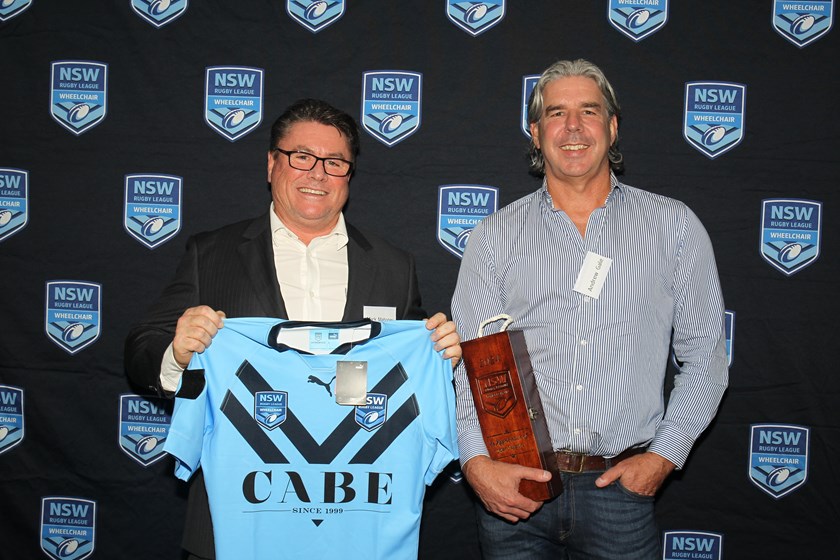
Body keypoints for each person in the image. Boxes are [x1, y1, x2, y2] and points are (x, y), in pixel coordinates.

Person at [124, 98, 461, 560]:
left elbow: (397, 381)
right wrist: (178, 355)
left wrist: (440, 355)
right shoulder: (213, 253)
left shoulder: (392, 266)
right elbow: (141, 349)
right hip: (238, 525)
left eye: (335, 162)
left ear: (350, 174)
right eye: (301, 156)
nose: (317, 173)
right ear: (271, 163)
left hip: (354, 524)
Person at [451, 59, 728, 558]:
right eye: (556, 113)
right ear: (535, 133)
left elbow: (706, 355)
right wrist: (475, 463)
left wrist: (664, 456)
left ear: (612, 126)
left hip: (618, 493)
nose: (573, 127)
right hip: (517, 489)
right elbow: (472, 365)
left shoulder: (673, 227)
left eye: (589, 111)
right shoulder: (493, 237)